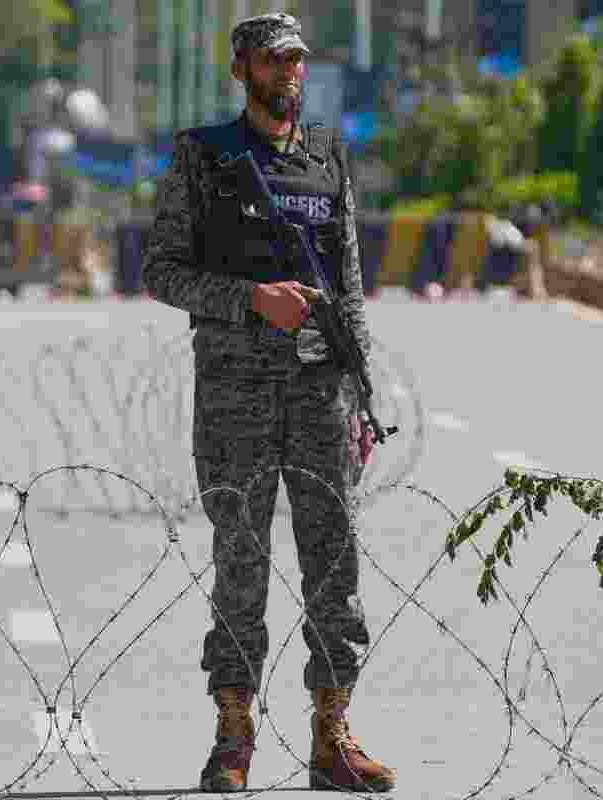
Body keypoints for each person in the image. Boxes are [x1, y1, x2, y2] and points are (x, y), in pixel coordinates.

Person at [140, 13, 396, 794]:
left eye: (297, 60)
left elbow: (348, 284)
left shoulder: (327, 158)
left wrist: (360, 392)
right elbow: (161, 272)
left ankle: (332, 734)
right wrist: (252, 299)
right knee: (241, 565)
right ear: (242, 67)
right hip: (235, 393)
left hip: (321, 393)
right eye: (274, 59)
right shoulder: (205, 158)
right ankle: (234, 734)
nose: (289, 71)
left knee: (335, 565)